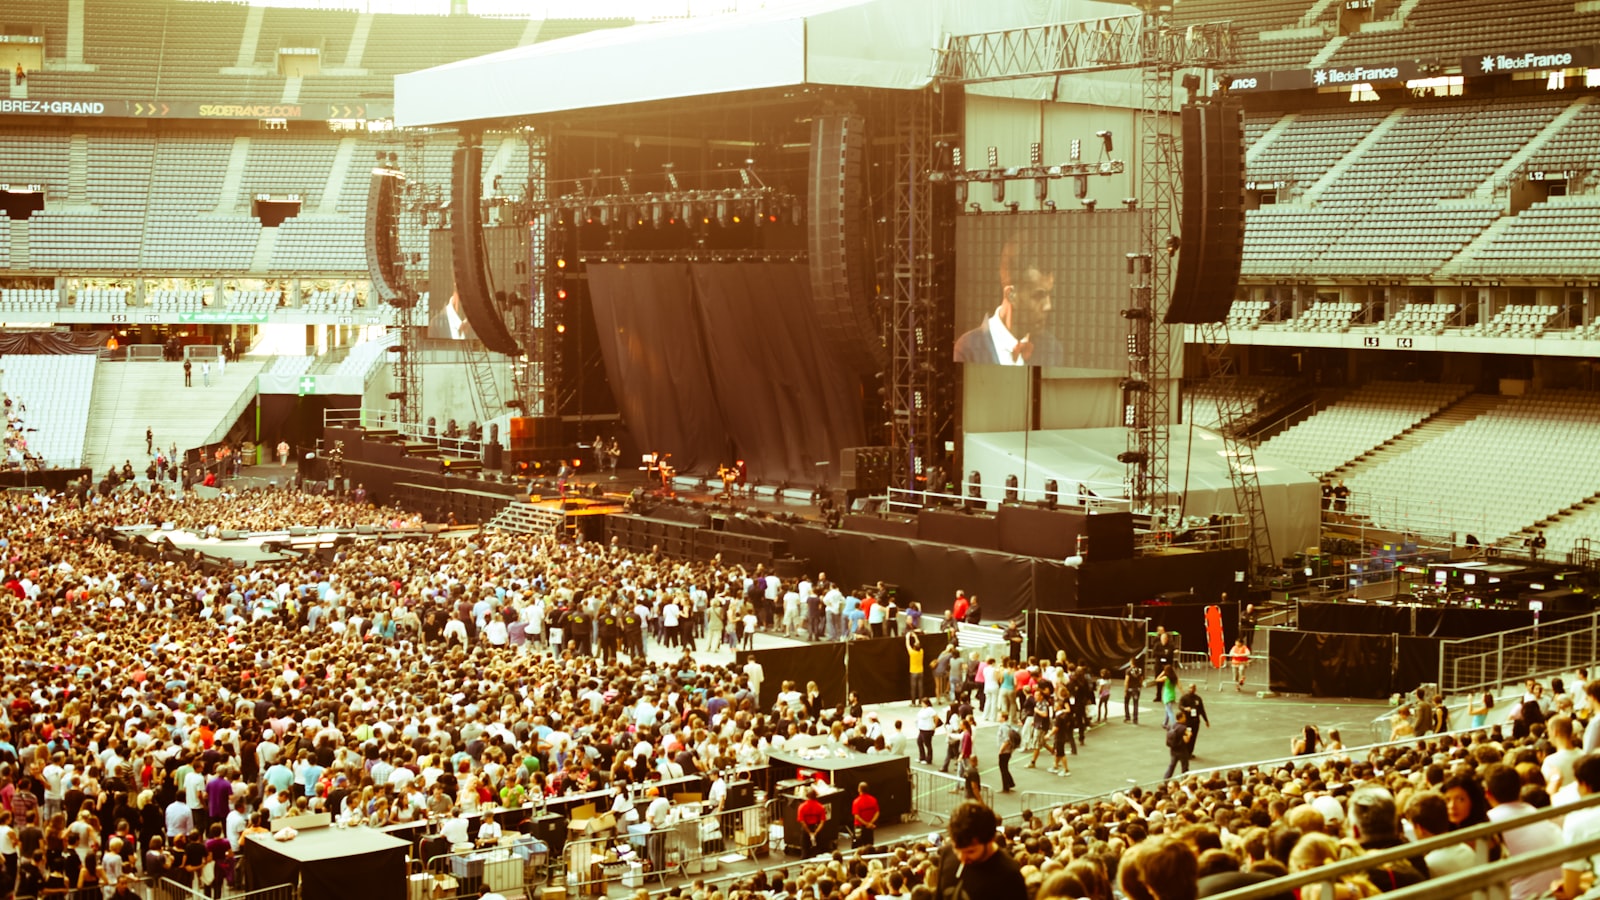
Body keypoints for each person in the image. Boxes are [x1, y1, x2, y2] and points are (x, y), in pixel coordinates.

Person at [952, 241, 1065, 366]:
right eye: (1038, 296)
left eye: (1049, 294)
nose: (1048, 306)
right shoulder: (967, 349)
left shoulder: (1052, 350)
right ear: (1011, 295)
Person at [796, 787, 827, 858]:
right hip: (816, 828)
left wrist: (809, 833)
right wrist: (815, 832)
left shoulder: (802, 807)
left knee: (804, 850)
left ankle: (804, 862)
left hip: (806, 830)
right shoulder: (820, 807)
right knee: (816, 852)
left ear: (807, 796)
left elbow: (802, 821)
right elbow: (822, 822)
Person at [1163, 707, 1192, 781]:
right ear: (1181, 718)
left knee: (1171, 766)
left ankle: (1166, 779)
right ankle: (1184, 781)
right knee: (1184, 767)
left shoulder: (1172, 726)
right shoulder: (1183, 728)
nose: (1185, 718)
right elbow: (1186, 740)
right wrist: (1189, 735)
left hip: (1173, 750)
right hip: (1182, 751)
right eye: (1184, 717)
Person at [850, 782, 878, 849]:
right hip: (869, 827)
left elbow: (856, 816)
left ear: (859, 789)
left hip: (859, 827)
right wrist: (870, 823)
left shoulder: (856, 801)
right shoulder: (873, 799)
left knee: (857, 846)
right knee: (869, 845)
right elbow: (877, 812)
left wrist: (866, 824)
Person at [907, 632, 926, 701]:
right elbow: (918, 643)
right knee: (920, 687)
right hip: (920, 671)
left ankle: (913, 702)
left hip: (913, 672)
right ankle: (921, 701)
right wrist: (915, 636)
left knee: (913, 688)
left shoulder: (912, 653)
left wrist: (907, 637)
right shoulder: (921, 652)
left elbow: (907, 645)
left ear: (914, 647)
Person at [1124, 657, 1144, 724]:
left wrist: (1125, 690)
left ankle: (1127, 717)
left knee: (1126, 702)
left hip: (1130, 688)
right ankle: (1135, 719)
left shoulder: (1128, 670)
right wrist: (1140, 686)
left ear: (1131, 662)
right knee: (1136, 703)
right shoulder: (1140, 670)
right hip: (1137, 689)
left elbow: (1127, 681)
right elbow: (1141, 679)